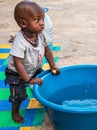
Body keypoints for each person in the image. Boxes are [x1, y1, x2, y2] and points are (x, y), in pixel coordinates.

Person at [5, 0, 60, 123]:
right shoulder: (20, 42)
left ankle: (43, 98)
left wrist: (52, 65)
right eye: (37, 20)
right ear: (23, 23)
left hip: (33, 68)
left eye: (42, 19)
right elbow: (18, 63)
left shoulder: (40, 35)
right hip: (16, 73)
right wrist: (29, 80)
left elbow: (47, 50)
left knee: (45, 80)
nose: (42, 24)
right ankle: (15, 112)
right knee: (18, 96)